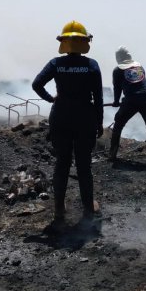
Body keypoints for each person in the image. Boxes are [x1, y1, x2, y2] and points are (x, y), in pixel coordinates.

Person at [32, 20, 104, 228]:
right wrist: (99, 123)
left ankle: (59, 210)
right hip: (85, 119)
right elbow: (98, 98)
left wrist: (50, 98)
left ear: (64, 42)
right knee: (83, 166)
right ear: (84, 42)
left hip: (60, 117)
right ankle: (88, 210)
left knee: (62, 164)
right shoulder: (92, 65)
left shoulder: (56, 64)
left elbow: (37, 84)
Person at [108, 46, 146, 166]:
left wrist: (116, 101)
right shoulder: (139, 66)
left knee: (118, 125)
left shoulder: (118, 70)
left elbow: (117, 88)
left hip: (130, 101)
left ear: (118, 58)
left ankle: (112, 154)